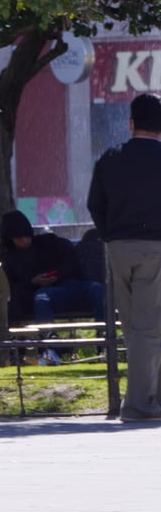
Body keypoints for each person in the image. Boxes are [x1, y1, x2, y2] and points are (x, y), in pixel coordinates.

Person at [88, 92, 161, 422]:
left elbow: (95, 205)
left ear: (131, 124)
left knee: (134, 327)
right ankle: (139, 406)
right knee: (148, 327)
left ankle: (151, 395)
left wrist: (109, 236)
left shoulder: (109, 158)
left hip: (118, 248)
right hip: (156, 248)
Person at [0, 209, 105, 365]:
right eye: (19, 238)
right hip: (46, 295)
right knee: (42, 297)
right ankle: (50, 350)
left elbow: (72, 264)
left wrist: (57, 275)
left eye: (26, 236)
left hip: (70, 286)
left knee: (98, 289)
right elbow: (12, 287)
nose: (24, 241)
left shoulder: (49, 243)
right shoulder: (9, 259)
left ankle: (104, 344)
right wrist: (32, 282)